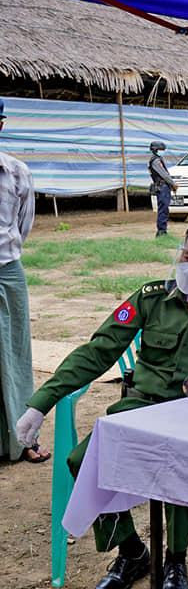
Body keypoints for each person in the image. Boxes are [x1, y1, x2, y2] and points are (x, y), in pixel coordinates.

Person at [15, 222, 188, 589]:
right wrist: (40, 403)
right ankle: (131, 551)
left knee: (184, 460)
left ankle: (175, 562)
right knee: (82, 459)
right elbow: (98, 352)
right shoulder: (150, 298)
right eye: (187, 255)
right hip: (138, 411)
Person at [0, 99, 45, 464]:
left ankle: (23, 440)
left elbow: (23, 227)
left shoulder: (16, 172)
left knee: (16, 354)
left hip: (8, 269)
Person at [148, 141, 178, 237]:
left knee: (164, 209)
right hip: (162, 187)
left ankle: (162, 230)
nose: (163, 151)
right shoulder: (156, 161)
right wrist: (173, 184)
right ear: (155, 150)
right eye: (161, 150)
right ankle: (161, 231)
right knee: (163, 209)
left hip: (163, 187)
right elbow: (164, 175)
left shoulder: (158, 159)